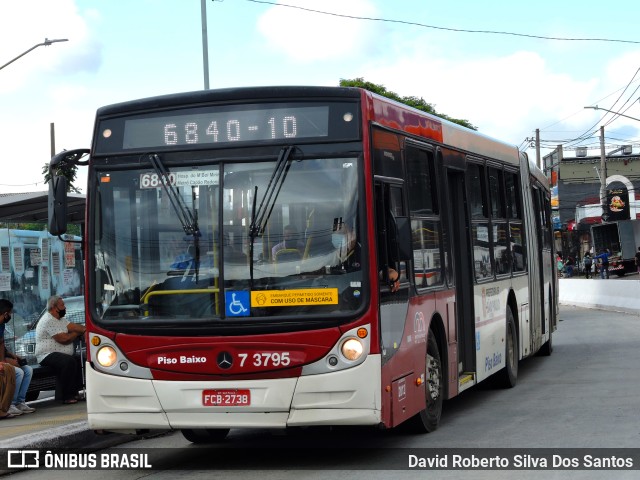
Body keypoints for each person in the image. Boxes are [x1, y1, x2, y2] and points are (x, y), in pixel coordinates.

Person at [34, 295, 86, 404]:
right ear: (54, 307)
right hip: (46, 355)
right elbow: (64, 339)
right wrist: (77, 334)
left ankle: (74, 392)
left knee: (79, 359)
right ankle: (66, 396)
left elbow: (75, 327)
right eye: (62, 305)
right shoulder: (48, 320)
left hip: (59, 354)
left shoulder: (61, 320)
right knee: (68, 362)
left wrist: (85, 330)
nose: (65, 307)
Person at [0, 299, 35, 415]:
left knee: (28, 370)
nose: (10, 315)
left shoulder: (2, 325)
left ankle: (20, 402)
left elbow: (1, 344)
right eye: (10, 313)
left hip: (2, 359)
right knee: (18, 372)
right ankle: (10, 404)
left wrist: (10, 356)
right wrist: (4, 363)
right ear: (5, 314)